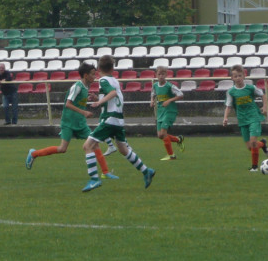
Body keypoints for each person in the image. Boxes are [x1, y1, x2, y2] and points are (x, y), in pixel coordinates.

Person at [25, 62, 114, 178]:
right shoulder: (77, 86)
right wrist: (84, 112)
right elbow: (68, 104)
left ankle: (106, 172)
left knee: (94, 144)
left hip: (80, 123)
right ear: (85, 75)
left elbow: (78, 101)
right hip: (68, 122)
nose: (95, 77)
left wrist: (94, 98)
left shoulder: (86, 87)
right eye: (93, 74)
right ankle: (34, 153)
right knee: (62, 149)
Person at [81, 55, 155, 193]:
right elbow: (114, 96)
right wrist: (99, 98)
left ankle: (94, 179)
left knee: (87, 146)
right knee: (122, 149)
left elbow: (113, 93)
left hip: (109, 119)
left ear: (98, 69)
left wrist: (98, 102)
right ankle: (146, 171)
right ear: (113, 68)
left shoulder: (103, 80)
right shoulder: (114, 80)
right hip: (119, 120)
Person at [220, 65, 268, 172]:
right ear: (232, 78)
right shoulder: (231, 92)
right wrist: (225, 118)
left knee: (252, 143)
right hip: (242, 119)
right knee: (250, 147)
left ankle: (254, 167)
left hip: (254, 117)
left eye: (240, 75)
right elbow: (228, 106)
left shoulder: (251, 88)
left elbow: (263, 94)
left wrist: (265, 106)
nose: (238, 78)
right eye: (235, 76)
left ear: (244, 76)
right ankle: (263, 144)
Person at [150, 64, 186, 161]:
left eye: (163, 74)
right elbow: (153, 94)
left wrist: (169, 100)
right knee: (160, 136)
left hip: (169, 111)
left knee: (164, 133)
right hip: (160, 112)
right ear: (156, 75)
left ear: (166, 75)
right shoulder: (155, 86)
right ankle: (179, 139)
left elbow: (181, 95)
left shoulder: (170, 86)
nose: (161, 76)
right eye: (159, 74)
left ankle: (172, 155)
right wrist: (152, 101)